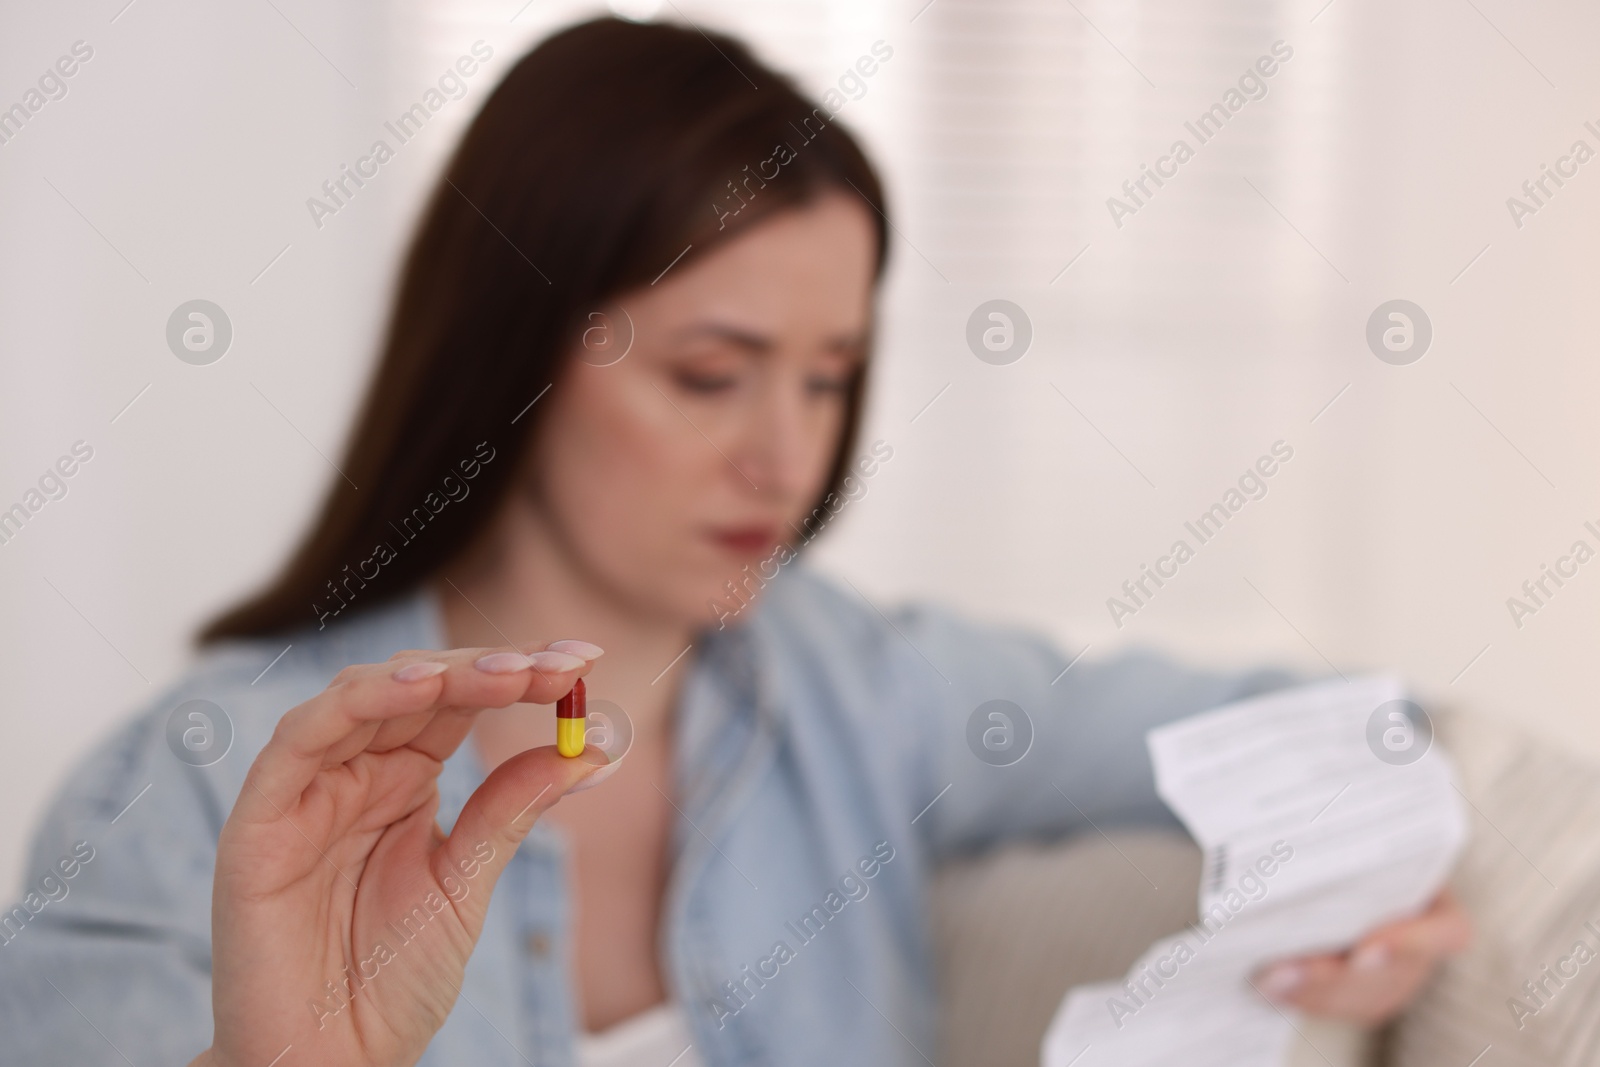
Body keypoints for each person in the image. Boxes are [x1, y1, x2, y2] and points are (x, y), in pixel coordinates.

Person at [0, 17, 1470, 1067]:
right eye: (711, 373)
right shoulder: (196, 792)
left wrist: (1356, 870)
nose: (789, 450)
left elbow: (1344, 730)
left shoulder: (872, 691)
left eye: (829, 375)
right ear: (516, 353)